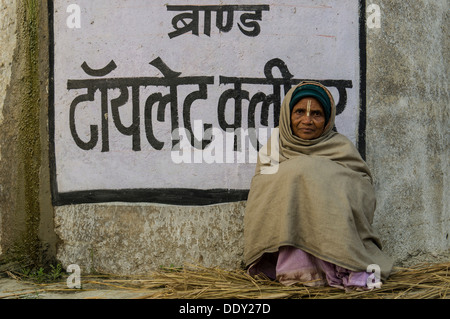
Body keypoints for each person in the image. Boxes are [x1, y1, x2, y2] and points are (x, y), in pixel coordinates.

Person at [244, 81, 393, 290]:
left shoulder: (340, 147)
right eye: (299, 112)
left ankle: (335, 270)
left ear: (327, 119)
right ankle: (298, 269)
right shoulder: (275, 147)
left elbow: (362, 188)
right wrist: (299, 176)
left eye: (316, 114)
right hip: (287, 239)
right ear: (288, 115)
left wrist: (319, 178)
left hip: (335, 245)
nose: (307, 120)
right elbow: (263, 191)